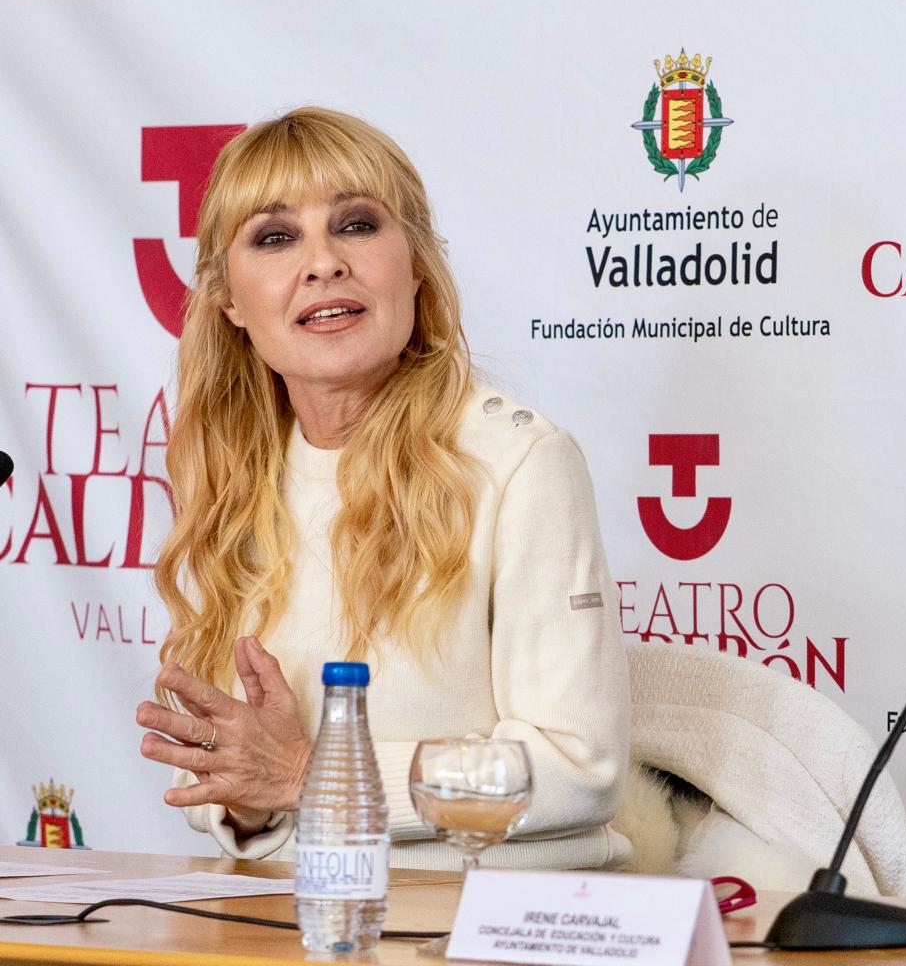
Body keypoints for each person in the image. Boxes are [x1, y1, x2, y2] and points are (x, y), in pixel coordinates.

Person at [135, 107, 633, 870]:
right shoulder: (231, 482)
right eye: (275, 238)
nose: (323, 263)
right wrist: (253, 795)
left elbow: (578, 768)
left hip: (493, 920)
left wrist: (312, 777)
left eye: (357, 225)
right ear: (229, 300)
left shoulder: (523, 465)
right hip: (283, 911)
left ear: (417, 265)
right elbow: (223, 773)